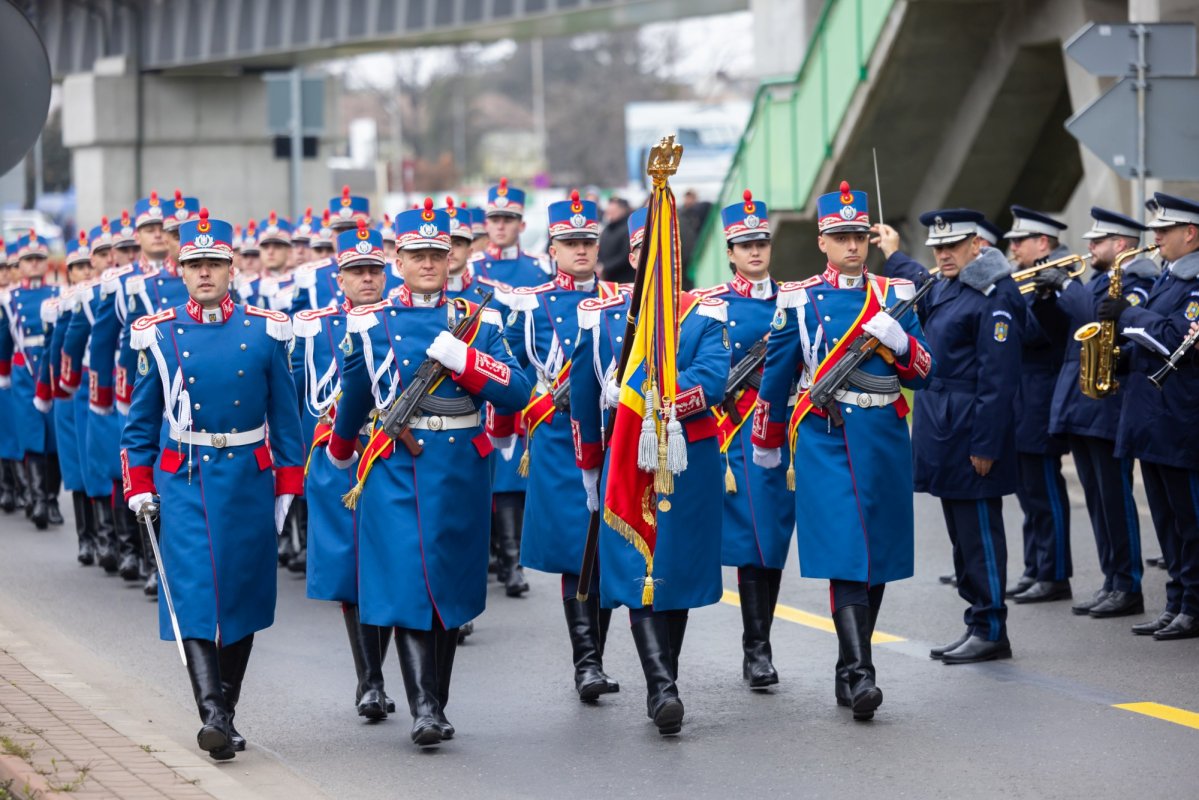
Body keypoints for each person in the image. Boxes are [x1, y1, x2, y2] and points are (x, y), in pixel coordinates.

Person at [324, 199, 530, 747]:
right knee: (411, 581)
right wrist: (342, 450)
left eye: (438, 254)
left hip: (461, 467)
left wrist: (468, 362)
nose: (429, 263)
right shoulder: (370, 321)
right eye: (417, 255)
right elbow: (355, 391)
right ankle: (425, 708)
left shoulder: (481, 319)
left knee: (450, 585)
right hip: (397, 465)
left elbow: (518, 391)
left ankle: (435, 699)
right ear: (398, 261)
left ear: (452, 258)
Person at [121, 209, 305, 759]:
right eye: (195, 264)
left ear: (231, 269)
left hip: (248, 475)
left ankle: (226, 709)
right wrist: (138, 483)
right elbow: (139, 424)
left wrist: (288, 486)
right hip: (186, 477)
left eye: (214, 264)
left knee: (242, 592)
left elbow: (287, 420)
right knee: (194, 591)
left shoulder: (265, 329)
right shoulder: (160, 334)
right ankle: (213, 717)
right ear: (180, 270)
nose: (204, 272)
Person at [753, 182, 932, 720]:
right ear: (822, 242)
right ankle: (861, 672)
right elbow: (776, 378)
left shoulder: (896, 294)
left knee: (877, 555)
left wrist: (901, 342)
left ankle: (846, 667)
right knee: (847, 551)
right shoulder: (800, 298)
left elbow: (924, 372)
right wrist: (766, 440)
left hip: (883, 438)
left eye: (859, 236)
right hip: (826, 437)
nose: (853, 245)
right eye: (841, 237)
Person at [570, 203, 730, 736]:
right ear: (634, 258)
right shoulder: (603, 315)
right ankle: (662, 687)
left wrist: (648, 400)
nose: (657, 260)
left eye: (667, 252)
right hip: (627, 459)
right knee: (641, 568)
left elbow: (712, 382)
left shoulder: (704, 312)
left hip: (688, 460)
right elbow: (582, 397)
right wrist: (589, 464)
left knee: (675, 570)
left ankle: (666, 677)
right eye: (646, 251)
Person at [878, 208, 1022, 664]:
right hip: (944, 425)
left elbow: (998, 381)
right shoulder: (947, 286)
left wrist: (986, 444)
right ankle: (976, 621)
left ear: (976, 245)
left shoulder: (994, 294)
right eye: (938, 247)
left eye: (953, 246)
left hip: (970, 428)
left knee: (980, 535)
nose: (943, 254)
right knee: (962, 538)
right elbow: (921, 284)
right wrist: (894, 254)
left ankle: (992, 627)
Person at [495, 190, 623, 703]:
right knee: (577, 548)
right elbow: (510, 368)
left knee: (608, 544)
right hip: (557, 436)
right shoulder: (531, 304)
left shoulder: (621, 299)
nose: (581, 250)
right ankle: (587, 663)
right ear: (553, 250)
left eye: (588, 241)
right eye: (570, 243)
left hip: (612, 433)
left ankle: (598, 655)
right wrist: (530, 405)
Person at [295, 218, 396, 721]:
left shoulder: (400, 321)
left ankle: (375, 676)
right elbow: (299, 398)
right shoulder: (315, 327)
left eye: (374, 270)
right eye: (357, 271)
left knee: (392, 564)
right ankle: (370, 680)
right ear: (339, 279)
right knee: (353, 570)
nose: (367, 279)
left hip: (393, 452)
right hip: (340, 457)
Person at [1043, 207, 1156, 618]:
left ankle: (1128, 584)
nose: (1089, 246)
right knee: (1096, 500)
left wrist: (1066, 285)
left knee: (1115, 499)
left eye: (1098, 240)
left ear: (1120, 244)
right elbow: (1066, 334)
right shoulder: (1095, 281)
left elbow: (1102, 322)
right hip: (1082, 401)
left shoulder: (1137, 282)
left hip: (1109, 405)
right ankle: (1111, 579)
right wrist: (1049, 297)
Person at [702, 191, 795, 689]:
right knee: (755, 540)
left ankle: (760, 644)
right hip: (737, 433)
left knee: (775, 538)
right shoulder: (713, 304)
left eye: (761, 242)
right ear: (730, 252)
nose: (755, 251)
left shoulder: (794, 299)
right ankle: (757, 650)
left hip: (787, 431)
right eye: (745, 245)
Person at [1101, 192, 1199, 640]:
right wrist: (1120, 356)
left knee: (1189, 519)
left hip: (1179, 419)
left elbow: (1177, 339)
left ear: (1190, 233)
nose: (1155, 236)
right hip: (1151, 418)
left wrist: (1128, 315)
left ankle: (1194, 604)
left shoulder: (1194, 284)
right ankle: (1176, 600)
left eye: (1164, 229)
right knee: (1165, 518)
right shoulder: (1169, 276)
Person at [471, 178, 549, 597]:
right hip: (477, 378)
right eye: (495, 219)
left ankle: (512, 560)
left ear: (521, 224)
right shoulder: (472, 269)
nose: (500, 226)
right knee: (481, 467)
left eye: (508, 219)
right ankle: (488, 551)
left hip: (522, 380)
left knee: (512, 471)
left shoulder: (537, 270)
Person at [1002, 206, 1074, 604]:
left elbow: (1037, 334)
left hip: (1042, 396)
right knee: (1029, 492)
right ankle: (1035, 566)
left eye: (1019, 241)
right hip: (1022, 396)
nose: (1013, 248)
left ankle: (1055, 573)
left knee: (1045, 489)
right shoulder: (1026, 278)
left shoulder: (1058, 280)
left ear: (1042, 242)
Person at [59, 219, 121, 575]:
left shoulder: (129, 287)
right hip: (92, 383)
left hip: (128, 381)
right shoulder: (84, 296)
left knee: (124, 462)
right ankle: (97, 537)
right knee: (91, 463)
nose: (108, 258)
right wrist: (61, 384)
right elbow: (67, 344)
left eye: (114, 251)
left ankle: (127, 541)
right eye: (99, 254)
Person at [39, 232, 97, 562]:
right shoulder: (61, 303)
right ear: (69, 272)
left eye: (90, 265)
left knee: (99, 465)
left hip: (97, 384)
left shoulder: (105, 295)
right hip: (70, 389)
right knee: (76, 466)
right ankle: (86, 538)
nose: (86, 271)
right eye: (79, 267)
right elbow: (53, 349)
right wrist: (50, 390)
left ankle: (109, 537)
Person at [0, 230, 63, 530]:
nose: (34, 263)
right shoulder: (9, 298)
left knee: (53, 436)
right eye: (28, 259)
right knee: (32, 433)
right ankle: (37, 498)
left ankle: (51, 499)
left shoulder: (59, 293)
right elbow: (4, 339)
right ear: (20, 264)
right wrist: (4, 373)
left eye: (39, 258)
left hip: (51, 367)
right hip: (24, 370)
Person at [597, 196, 633, 284]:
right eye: (608, 211)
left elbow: (625, 256)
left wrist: (605, 267)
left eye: (613, 211)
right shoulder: (607, 228)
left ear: (622, 210)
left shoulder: (629, 228)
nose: (609, 213)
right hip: (608, 279)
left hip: (625, 279)